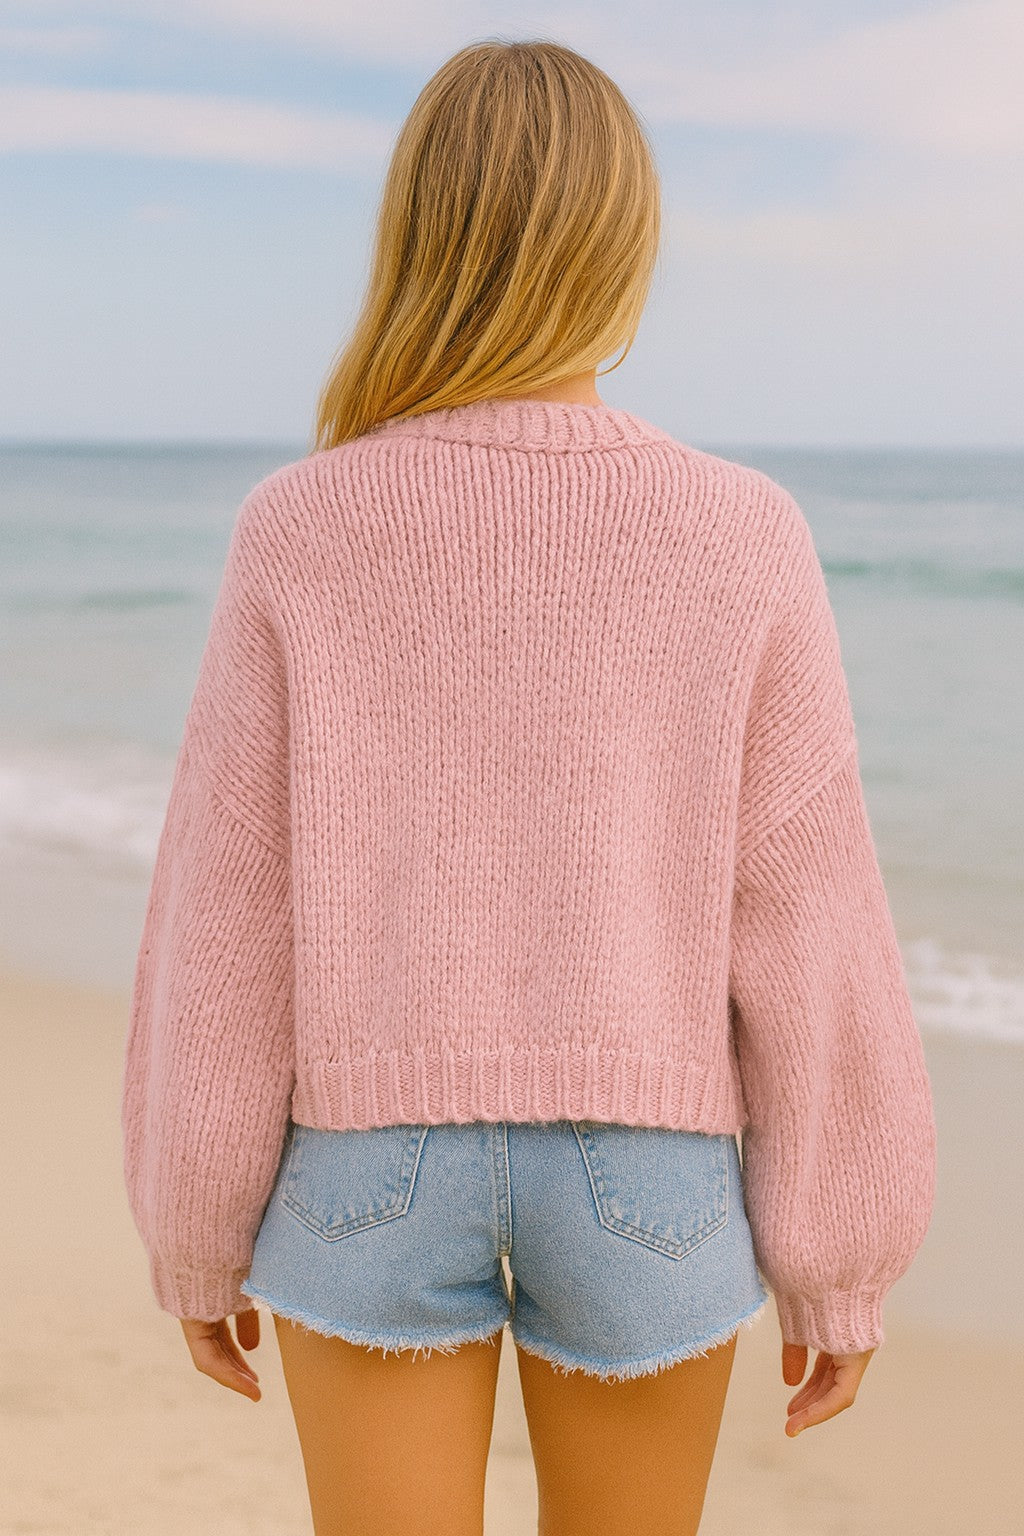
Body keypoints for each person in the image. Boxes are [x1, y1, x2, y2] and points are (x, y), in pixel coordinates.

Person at [120, 37, 937, 1536]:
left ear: (417, 235)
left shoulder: (300, 525)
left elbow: (230, 906)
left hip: (368, 1158)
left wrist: (193, 1225)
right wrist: (839, 1254)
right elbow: (806, 905)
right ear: (623, 244)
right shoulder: (743, 531)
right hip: (651, 1166)